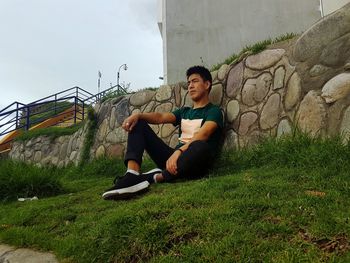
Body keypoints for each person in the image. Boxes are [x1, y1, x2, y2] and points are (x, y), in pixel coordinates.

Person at [102, 65, 223, 200]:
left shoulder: (213, 111)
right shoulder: (184, 112)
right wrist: (138, 116)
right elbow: (160, 117)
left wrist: (178, 152)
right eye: (189, 83)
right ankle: (132, 175)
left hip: (194, 161)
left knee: (200, 146)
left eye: (195, 81)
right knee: (139, 123)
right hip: (173, 160)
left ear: (207, 84)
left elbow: (204, 135)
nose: (190, 86)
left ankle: (155, 177)